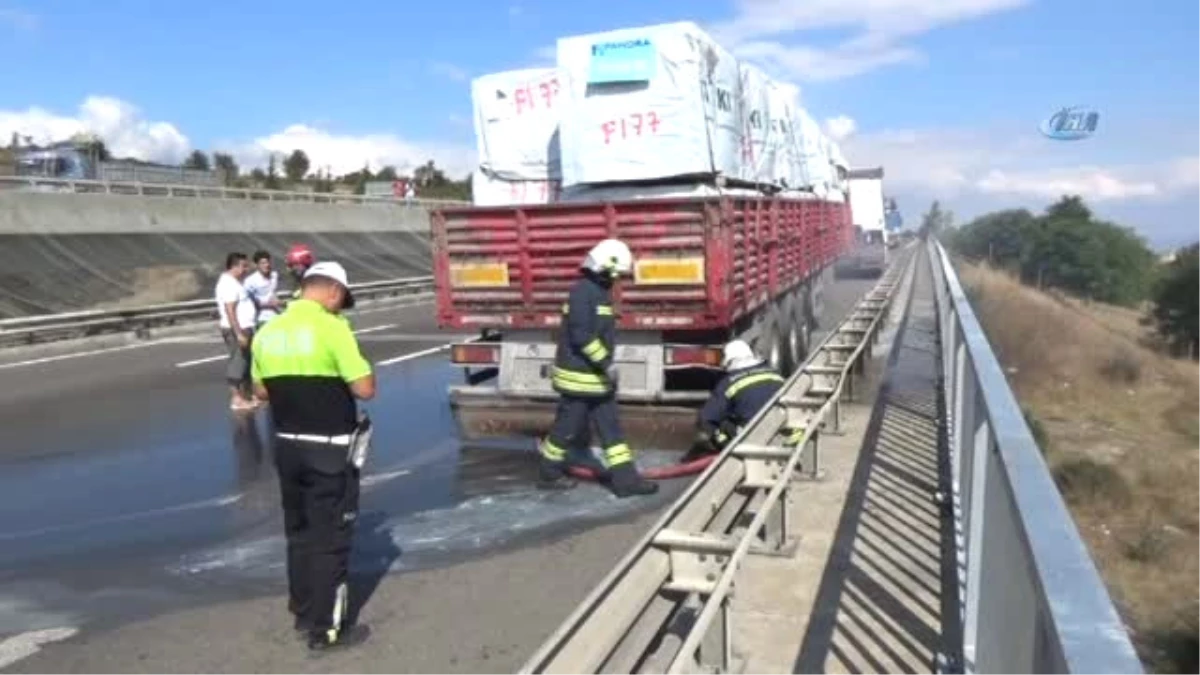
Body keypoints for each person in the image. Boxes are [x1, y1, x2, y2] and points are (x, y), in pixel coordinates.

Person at [250, 261, 376, 652]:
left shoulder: (266, 332)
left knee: (299, 532)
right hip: (330, 450)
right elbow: (365, 388)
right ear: (334, 293)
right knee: (330, 537)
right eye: (341, 301)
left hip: (287, 447)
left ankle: (303, 610)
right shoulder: (333, 329)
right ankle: (326, 629)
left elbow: (261, 393)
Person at [537, 239, 658, 498]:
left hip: (595, 379)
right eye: (617, 274)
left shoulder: (597, 292)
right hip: (580, 378)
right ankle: (548, 474)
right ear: (606, 268)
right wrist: (606, 363)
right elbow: (581, 335)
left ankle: (626, 482)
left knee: (610, 429)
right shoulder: (583, 292)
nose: (618, 279)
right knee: (566, 429)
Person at [693, 340, 786, 455]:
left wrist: (722, 443)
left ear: (730, 361)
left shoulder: (729, 382)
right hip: (781, 433)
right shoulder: (775, 374)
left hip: (751, 439)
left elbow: (706, 419)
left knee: (722, 423)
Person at [215, 252, 259, 411]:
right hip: (237, 329)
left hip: (246, 327)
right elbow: (230, 310)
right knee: (237, 363)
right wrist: (238, 332)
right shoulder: (228, 284)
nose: (246, 269)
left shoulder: (235, 282)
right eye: (243, 266)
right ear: (234, 266)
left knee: (246, 362)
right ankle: (236, 399)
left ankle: (247, 396)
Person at [244, 250, 282, 325]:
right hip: (262, 319)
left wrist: (278, 300)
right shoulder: (250, 281)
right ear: (256, 265)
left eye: (268, 262)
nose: (266, 265)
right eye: (263, 263)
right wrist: (269, 304)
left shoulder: (274, 275)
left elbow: (273, 291)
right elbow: (250, 303)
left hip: (277, 316)